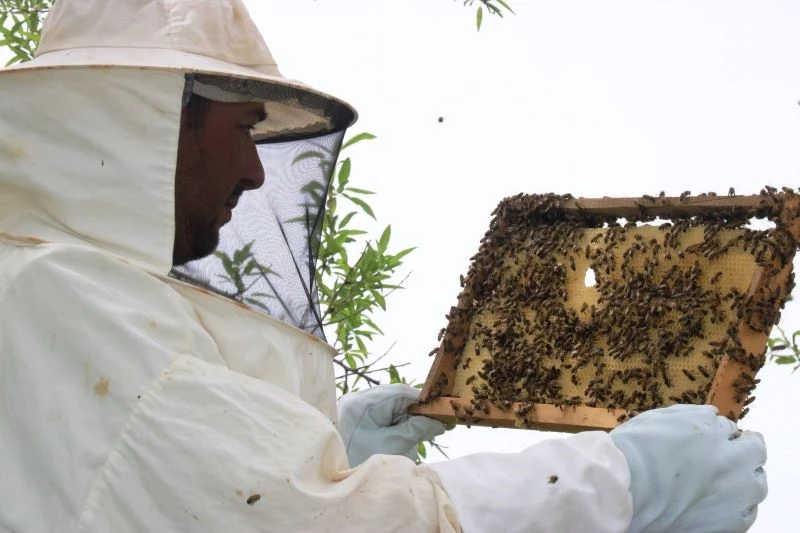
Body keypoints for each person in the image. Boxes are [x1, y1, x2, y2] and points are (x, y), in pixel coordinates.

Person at [0, 1, 766, 531]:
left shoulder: (59, 293)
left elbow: (174, 484)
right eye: (243, 129)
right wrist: (621, 481)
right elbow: (299, 521)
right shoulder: (54, 297)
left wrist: (328, 444)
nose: (257, 171)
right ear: (154, 124)